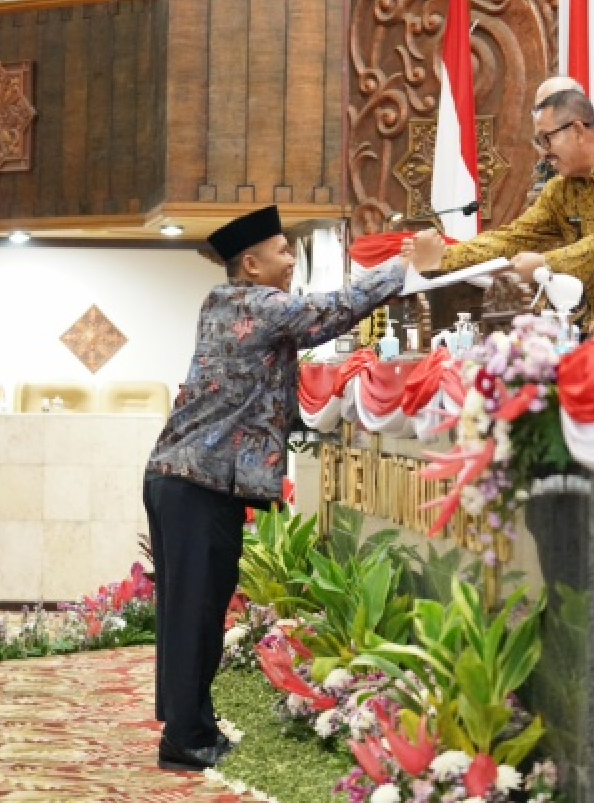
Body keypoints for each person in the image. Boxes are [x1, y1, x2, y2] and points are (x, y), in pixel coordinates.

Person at [142, 205, 408, 771]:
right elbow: (329, 313)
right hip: (197, 483)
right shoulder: (254, 303)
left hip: (185, 478)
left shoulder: (226, 302)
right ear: (252, 263)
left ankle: (190, 724)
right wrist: (402, 268)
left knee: (192, 611)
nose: (292, 262)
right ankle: (185, 739)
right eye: (284, 252)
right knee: (195, 614)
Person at [406, 89, 594, 353]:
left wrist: (544, 264)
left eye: (546, 139)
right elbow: (513, 238)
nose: (542, 153)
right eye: (537, 142)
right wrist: (442, 258)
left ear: (578, 130)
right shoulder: (561, 189)